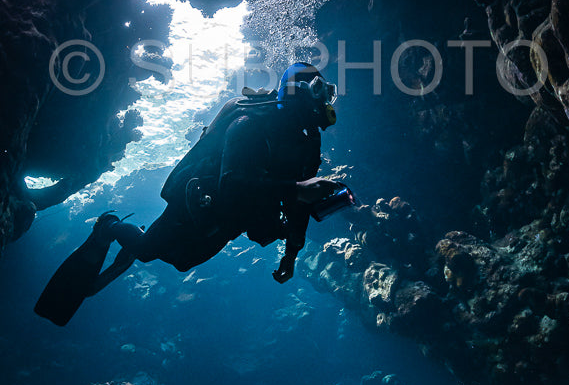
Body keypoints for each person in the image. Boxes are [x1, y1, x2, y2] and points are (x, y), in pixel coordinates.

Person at [35, 63, 346, 326]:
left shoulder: (308, 144)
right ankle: (110, 226)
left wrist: (291, 254)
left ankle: (134, 241)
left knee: (182, 263)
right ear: (296, 91)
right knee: (146, 250)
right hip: (197, 201)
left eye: (329, 94)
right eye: (320, 91)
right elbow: (233, 183)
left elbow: (300, 202)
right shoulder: (248, 124)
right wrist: (294, 189)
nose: (325, 103)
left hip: (232, 217)